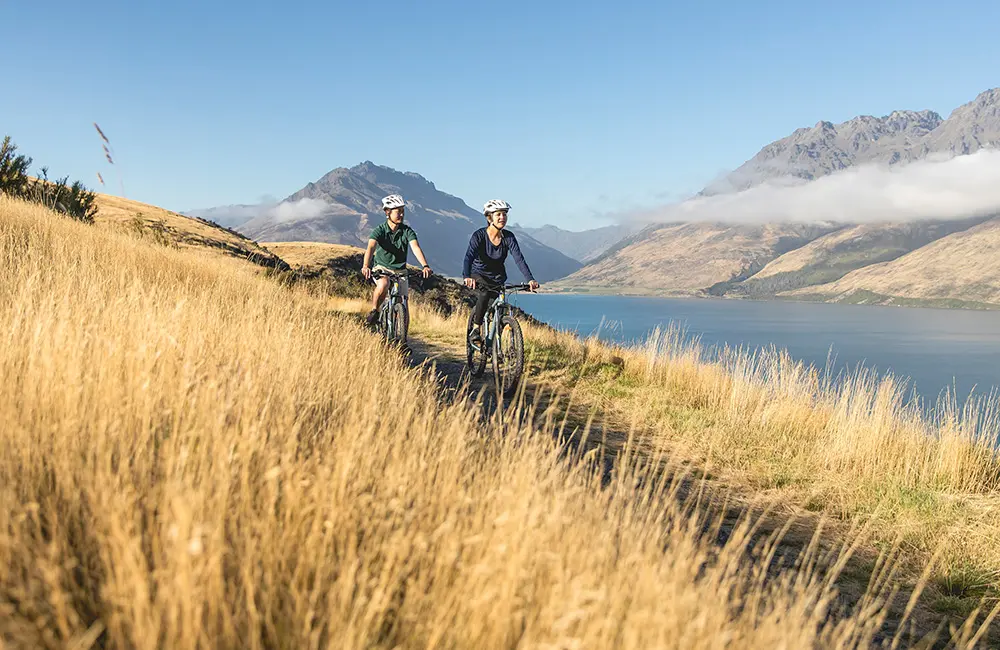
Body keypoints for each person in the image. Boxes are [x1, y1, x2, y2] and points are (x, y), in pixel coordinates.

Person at [462, 199, 540, 346]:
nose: (502, 218)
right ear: (489, 217)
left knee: (501, 307)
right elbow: (468, 257)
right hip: (479, 274)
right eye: (498, 214)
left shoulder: (508, 237)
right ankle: (476, 330)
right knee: (484, 294)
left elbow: (519, 259)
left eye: (504, 214)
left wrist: (530, 279)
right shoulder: (479, 236)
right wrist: (467, 276)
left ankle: (495, 345)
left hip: (498, 277)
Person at [361, 194, 433, 328]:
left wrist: (425, 266)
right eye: (398, 212)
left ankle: (402, 339)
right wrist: (366, 266)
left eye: (402, 212)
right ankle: (375, 311)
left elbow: (415, 247)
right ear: (388, 213)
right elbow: (371, 247)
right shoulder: (380, 230)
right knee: (383, 284)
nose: (401, 215)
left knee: (403, 306)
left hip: (401, 271)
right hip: (382, 268)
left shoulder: (407, 231)